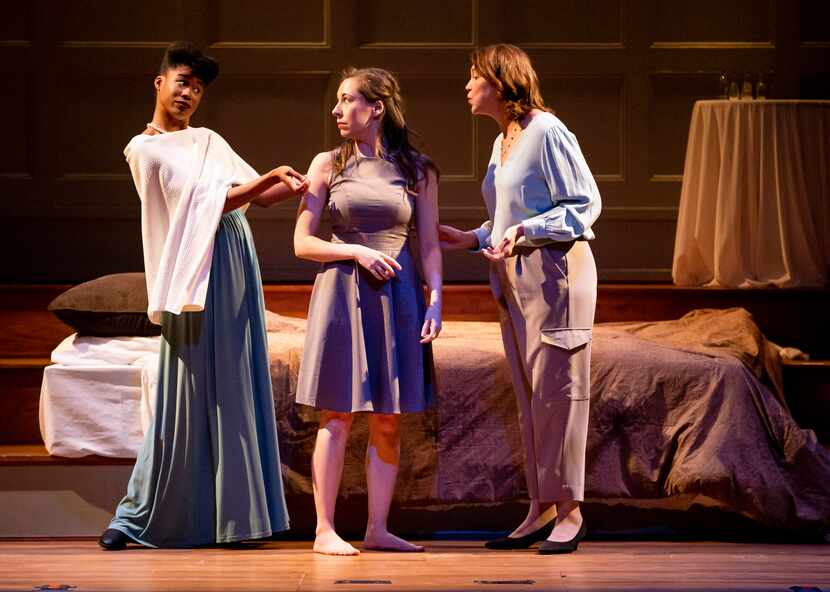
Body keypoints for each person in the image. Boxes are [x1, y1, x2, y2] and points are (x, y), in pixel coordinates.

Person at [98, 41, 308, 550]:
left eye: (197, 86)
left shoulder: (208, 140)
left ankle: (234, 517)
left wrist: (305, 182)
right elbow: (194, 210)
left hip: (234, 260)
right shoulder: (142, 150)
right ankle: (138, 514)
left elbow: (253, 193)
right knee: (184, 391)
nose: (189, 93)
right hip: (193, 269)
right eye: (182, 81)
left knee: (234, 383)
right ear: (160, 82)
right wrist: (263, 183)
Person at [439, 44, 601, 554]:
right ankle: (541, 506)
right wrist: (471, 237)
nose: (466, 86)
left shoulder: (547, 131)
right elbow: (510, 216)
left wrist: (525, 230)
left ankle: (571, 510)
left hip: (556, 276)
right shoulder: (502, 141)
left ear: (501, 82)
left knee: (561, 394)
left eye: (474, 77)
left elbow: (583, 204)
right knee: (532, 399)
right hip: (514, 279)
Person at [294, 67, 442, 556]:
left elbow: (429, 244)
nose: (337, 111)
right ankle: (324, 530)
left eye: (347, 100)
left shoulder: (416, 169)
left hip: (397, 297)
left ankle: (378, 528)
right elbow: (302, 242)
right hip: (342, 292)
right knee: (336, 413)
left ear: (376, 108)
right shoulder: (326, 164)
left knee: (389, 416)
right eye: (337, 101)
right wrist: (354, 253)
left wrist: (436, 299)